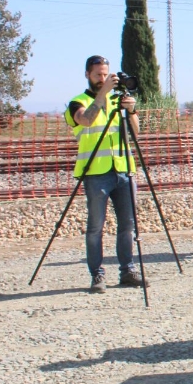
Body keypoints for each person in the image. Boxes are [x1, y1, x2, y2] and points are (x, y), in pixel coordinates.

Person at [65, 55, 147, 294]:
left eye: (105, 74)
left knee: (128, 225)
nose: (103, 79)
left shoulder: (116, 100)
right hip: (96, 172)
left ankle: (128, 270)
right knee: (95, 227)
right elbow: (86, 121)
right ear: (87, 75)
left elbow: (136, 133)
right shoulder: (77, 102)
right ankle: (97, 275)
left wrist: (131, 111)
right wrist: (103, 94)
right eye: (98, 75)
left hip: (123, 168)